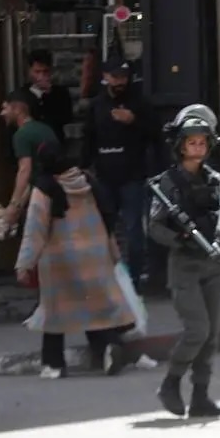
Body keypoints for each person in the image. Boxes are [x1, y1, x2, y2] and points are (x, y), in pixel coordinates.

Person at [147, 105, 220, 418]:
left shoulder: (215, 182)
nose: (198, 147)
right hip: (185, 266)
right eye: (191, 142)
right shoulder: (167, 183)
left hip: (215, 267)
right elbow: (154, 226)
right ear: (181, 145)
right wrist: (179, 238)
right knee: (197, 330)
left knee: (211, 334)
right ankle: (170, 383)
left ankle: (201, 397)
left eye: (203, 142)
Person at [15, 142, 135, 379]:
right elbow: (107, 218)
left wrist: (24, 264)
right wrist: (114, 253)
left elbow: (35, 230)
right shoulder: (88, 182)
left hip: (60, 260)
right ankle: (108, 349)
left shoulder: (44, 188)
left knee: (55, 315)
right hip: (95, 254)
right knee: (96, 309)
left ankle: (54, 365)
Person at [81, 55, 160, 287]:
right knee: (104, 230)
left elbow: (155, 134)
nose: (120, 82)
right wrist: (84, 168)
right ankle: (106, 280)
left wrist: (134, 121)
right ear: (105, 77)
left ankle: (134, 280)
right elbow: (89, 138)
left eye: (123, 77)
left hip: (132, 177)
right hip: (105, 176)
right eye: (115, 77)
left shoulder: (139, 103)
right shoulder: (97, 106)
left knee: (135, 232)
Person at [1, 91, 60, 228]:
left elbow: (25, 170)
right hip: (55, 193)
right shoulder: (46, 129)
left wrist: (13, 205)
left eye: (5, 108)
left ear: (17, 109)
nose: (2, 113)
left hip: (39, 199)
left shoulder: (21, 135)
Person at [23, 49, 75, 143]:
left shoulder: (61, 93)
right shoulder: (23, 94)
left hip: (54, 142)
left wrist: (48, 96)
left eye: (45, 71)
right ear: (30, 71)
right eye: (37, 72)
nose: (41, 76)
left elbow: (67, 117)